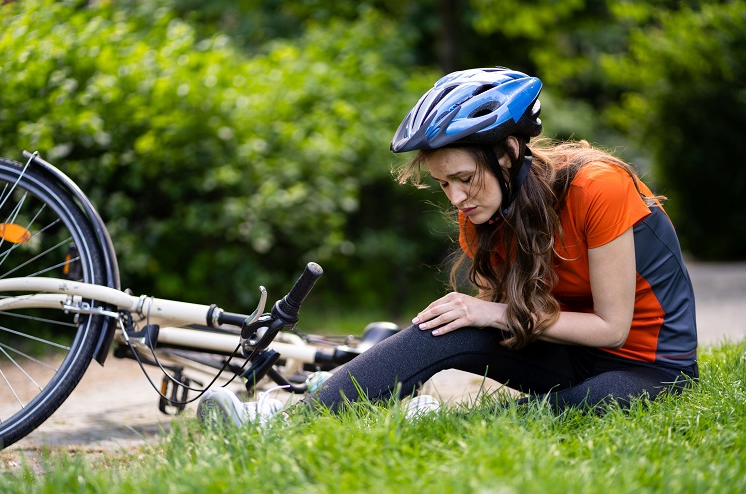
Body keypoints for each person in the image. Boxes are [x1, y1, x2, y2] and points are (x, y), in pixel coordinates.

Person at [198, 67, 698, 424]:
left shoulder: (596, 185)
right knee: (449, 323)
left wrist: (495, 314)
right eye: (444, 184)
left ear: (508, 152)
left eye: (464, 177)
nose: (456, 198)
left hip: (646, 367)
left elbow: (611, 329)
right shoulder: (481, 214)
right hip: (564, 353)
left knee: (533, 417)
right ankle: (287, 417)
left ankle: (416, 416)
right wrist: (467, 324)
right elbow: (499, 321)